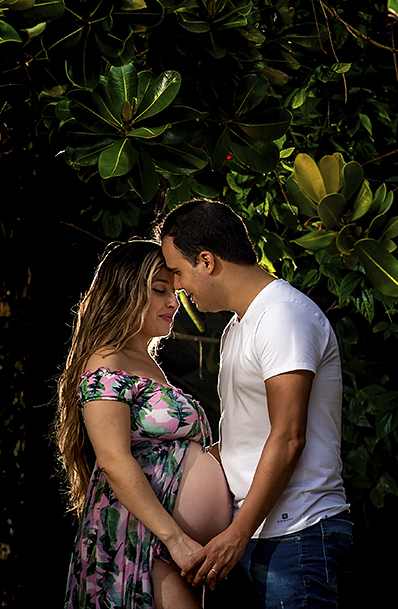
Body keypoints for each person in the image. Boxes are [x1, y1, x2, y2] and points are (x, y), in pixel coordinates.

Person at [156, 199, 352, 608]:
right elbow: (240, 441)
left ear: (206, 261)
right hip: (251, 534)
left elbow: (288, 437)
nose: (176, 285)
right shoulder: (236, 328)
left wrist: (236, 535)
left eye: (177, 270)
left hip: (297, 534)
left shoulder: (283, 315)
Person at [56, 240, 233, 608]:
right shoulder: (107, 360)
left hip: (166, 547)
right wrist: (176, 539)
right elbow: (113, 459)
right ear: (125, 292)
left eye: (174, 292)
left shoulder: (148, 364)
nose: (173, 303)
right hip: (138, 542)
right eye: (159, 291)